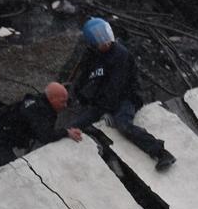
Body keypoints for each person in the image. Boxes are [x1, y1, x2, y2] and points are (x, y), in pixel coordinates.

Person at [73, 16, 176, 169]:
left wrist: (105, 111)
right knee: (75, 126)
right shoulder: (90, 57)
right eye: (101, 41)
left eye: (106, 39)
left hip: (125, 98)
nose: (105, 43)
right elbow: (82, 80)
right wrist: (80, 98)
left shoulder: (121, 54)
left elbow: (115, 87)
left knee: (123, 125)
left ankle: (161, 153)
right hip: (102, 101)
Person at [0, 82, 82, 170]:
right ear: (52, 99)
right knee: (10, 171)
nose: (65, 106)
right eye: (62, 102)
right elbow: (45, 136)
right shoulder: (37, 111)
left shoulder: (40, 103)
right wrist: (66, 132)